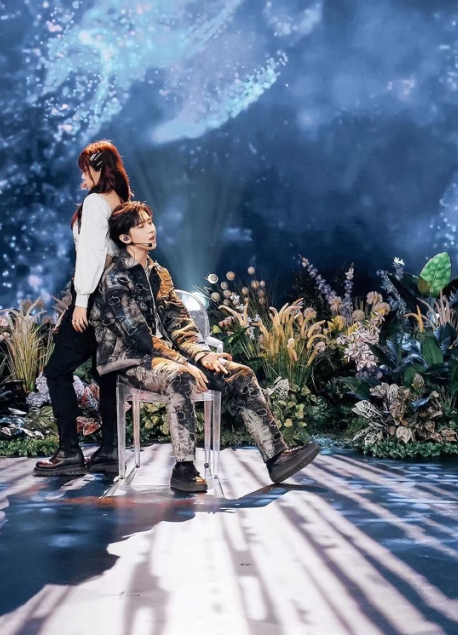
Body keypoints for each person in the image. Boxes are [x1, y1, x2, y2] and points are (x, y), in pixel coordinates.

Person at [89, 201, 320, 492]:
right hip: (129, 359)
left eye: (150, 222)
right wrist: (184, 363)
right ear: (125, 237)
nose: (151, 229)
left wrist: (203, 355)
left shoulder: (159, 274)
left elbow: (180, 323)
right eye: (141, 225)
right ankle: (184, 468)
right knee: (180, 376)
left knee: (240, 374)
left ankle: (277, 458)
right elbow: (137, 335)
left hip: (165, 357)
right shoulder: (115, 277)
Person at [35, 141, 131, 476]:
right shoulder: (121, 203)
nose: (82, 177)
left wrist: (81, 301)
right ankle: (110, 451)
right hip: (118, 304)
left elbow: (93, 255)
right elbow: (114, 256)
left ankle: (69, 452)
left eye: (85, 170)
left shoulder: (94, 203)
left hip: (93, 299)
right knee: (106, 373)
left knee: (56, 371)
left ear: (99, 168)